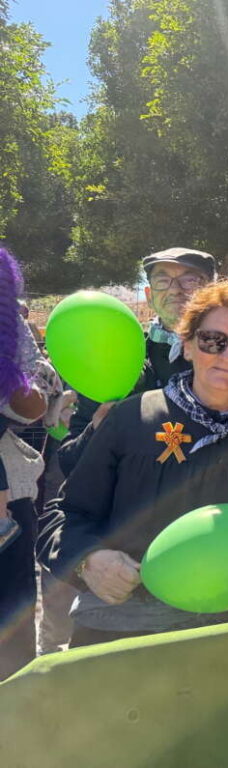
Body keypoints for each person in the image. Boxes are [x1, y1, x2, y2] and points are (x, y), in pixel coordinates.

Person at [47, 281, 228, 647]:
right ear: (187, 345)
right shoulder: (132, 419)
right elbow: (65, 514)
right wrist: (88, 560)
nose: (227, 356)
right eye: (212, 340)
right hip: (126, 628)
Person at [60, 249, 228, 473]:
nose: (175, 289)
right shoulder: (116, 361)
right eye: (162, 280)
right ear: (149, 294)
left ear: (211, 290)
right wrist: (96, 431)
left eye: (190, 280)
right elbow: (70, 465)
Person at [0, 249, 62, 678]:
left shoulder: (10, 329)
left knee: (11, 633)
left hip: (9, 505)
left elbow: (32, 405)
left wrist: (12, 376)